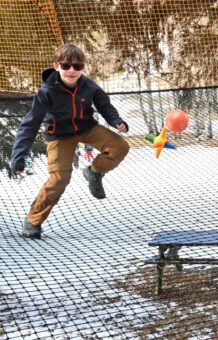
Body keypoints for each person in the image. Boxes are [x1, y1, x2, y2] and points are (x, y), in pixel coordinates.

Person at [10, 43, 129, 239]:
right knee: (59, 178)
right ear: (57, 66)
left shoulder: (89, 86)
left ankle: (94, 173)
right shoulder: (46, 92)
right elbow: (29, 125)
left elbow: (105, 106)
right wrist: (18, 156)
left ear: (83, 67)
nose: (72, 70)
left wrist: (116, 121)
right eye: (66, 66)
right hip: (59, 135)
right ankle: (32, 220)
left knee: (119, 146)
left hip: (86, 127)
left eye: (77, 66)